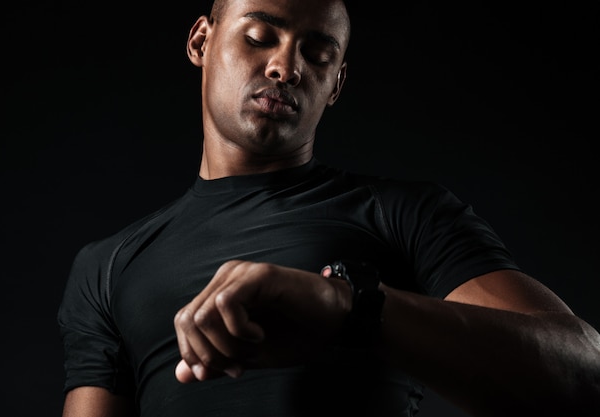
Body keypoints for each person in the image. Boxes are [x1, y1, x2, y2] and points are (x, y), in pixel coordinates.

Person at [57, 0, 600, 416]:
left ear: (335, 83)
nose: (285, 67)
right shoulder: (106, 266)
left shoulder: (402, 213)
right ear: (202, 40)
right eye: (259, 37)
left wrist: (349, 307)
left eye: (317, 54)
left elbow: (583, 373)